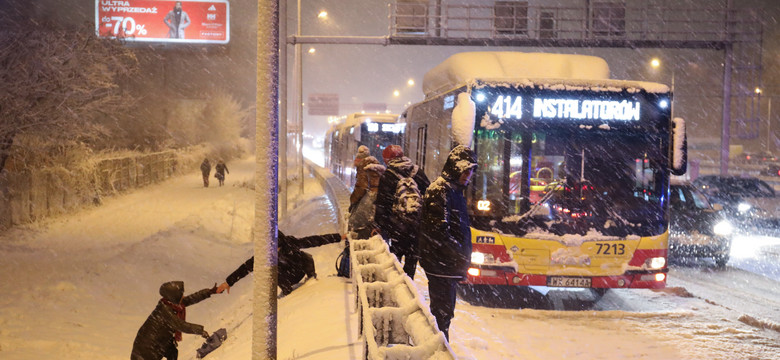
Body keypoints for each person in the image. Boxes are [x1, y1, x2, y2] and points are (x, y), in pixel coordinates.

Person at [418, 145, 477, 341]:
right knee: (441, 316)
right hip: (440, 266)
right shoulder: (441, 191)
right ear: (455, 168)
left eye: (471, 170)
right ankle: (439, 350)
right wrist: (459, 253)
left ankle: (440, 348)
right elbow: (439, 233)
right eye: (465, 170)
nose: (468, 175)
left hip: (446, 266)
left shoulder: (454, 190)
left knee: (444, 315)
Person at [216, 230, 341, 295]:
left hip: (300, 270)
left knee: (306, 256)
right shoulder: (265, 254)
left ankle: (311, 278)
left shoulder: (290, 243)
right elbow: (245, 268)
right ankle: (287, 292)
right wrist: (228, 282)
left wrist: (339, 237)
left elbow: (315, 240)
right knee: (271, 272)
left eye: (278, 248)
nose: (276, 251)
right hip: (287, 278)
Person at [375, 144, 430, 279]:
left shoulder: (388, 176)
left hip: (396, 228)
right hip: (415, 228)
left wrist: (379, 225)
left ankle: (396, 291)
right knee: (410, 264)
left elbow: (382, 204)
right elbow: (428, 196)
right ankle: (408, 285)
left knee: (394, 264)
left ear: (387, 160)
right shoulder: (418, 172)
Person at [131, 281, 218, 360]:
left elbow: (190, 299)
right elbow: (181, 325)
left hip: (158, 343)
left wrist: (209, 292)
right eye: (180, 295)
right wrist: (201, 331)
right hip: (146, 350)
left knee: (172, 353)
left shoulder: (170, 303)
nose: (183, 296)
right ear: (174, 297)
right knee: (171, 353)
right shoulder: (164, 311)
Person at [347, 155, 385, 239]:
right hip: (375, 218)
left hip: (365, 208)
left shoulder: (365, 170)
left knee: (356, 231)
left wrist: (352, 200)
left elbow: (360, 188)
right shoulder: (381, 174)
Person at [349, 145, 372, 213]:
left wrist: (353, 200)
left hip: (367, 201)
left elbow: (361, 188)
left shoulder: (363, 169)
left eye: (357, 159)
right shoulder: (371, 165)